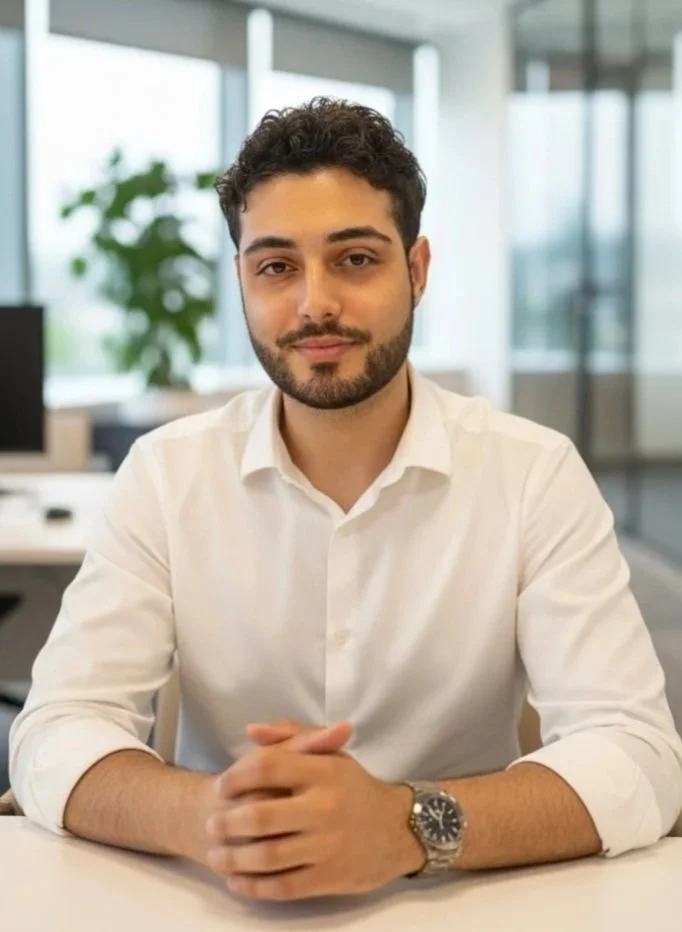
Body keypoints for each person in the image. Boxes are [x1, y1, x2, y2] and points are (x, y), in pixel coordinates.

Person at [9, 98, 682, 902]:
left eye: (355, 259)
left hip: (470, 902)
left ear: (418, 269)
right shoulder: (166, 474)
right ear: (243, 281)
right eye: (276, 266)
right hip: (218, 904)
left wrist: (405, 825)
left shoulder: (533, 474)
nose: (313, 304)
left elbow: (636, 754)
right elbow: (56, 729)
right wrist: (214, 819)